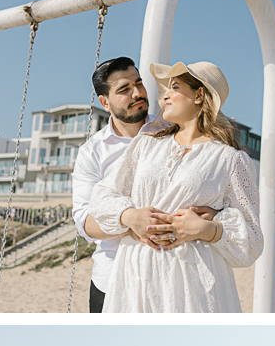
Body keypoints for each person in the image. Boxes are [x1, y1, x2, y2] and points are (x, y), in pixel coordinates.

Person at [88, 61, 263, 313]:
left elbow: (253, 241)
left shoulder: (231, 160)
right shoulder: (146, 144)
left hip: (193, 287)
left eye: (175, 87)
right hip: (136, 275)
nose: (165, 95)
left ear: (199, 96)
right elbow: (103, 194)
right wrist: (130, 216)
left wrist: (208, 229)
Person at [71, 56, 219, 313]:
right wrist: (129, 221)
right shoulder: (91, 152)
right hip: (111, 278)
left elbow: (211, 187)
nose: (137, 93)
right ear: (104, 102)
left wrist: (214, 216)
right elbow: (85, 221)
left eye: (138, 83)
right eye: (124, 90)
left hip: (174, 277)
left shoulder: (177, 128)